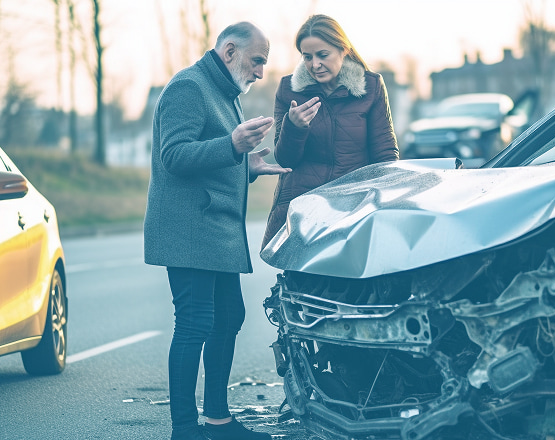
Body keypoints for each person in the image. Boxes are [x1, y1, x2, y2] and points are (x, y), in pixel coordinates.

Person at [143, 21, 288, 440]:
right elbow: (174, 155)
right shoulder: (188, 87)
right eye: (256, 60)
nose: (260, 71)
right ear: (229, 51)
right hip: (190, 230)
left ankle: (219, 422)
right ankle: (185, 430)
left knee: (228, 316)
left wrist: (246, 165)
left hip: (215, 232)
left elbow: (213, 155)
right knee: (195, 322)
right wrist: (232, 146)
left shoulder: (223, 94)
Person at [260, 14, 400, 249]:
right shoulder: (288, 90)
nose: (315, 64)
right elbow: (285, 160)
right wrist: (294, 127)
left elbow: (385, 155)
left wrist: (383, 205)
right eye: (307, 57)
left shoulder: (371, 86)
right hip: (303, 211)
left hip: (353, 209)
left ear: (343, 49)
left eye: (322, 55)